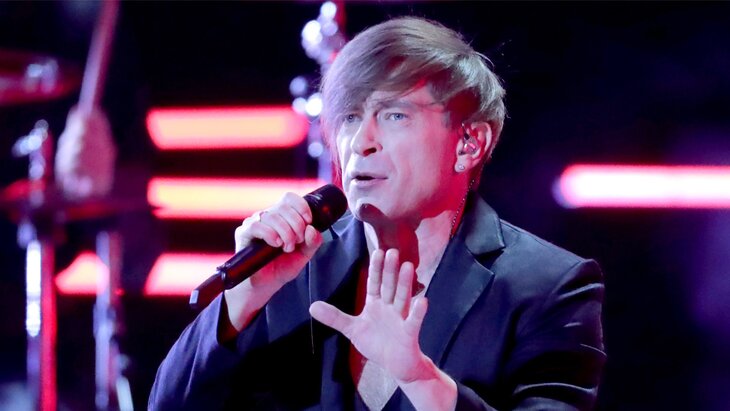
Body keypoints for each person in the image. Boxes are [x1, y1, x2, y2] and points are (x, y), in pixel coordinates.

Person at [149, 17, 605, 410]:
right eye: (350, 117)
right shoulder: (293, 265)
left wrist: (421, 381)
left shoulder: (547, 286)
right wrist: (244, 299)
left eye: (394, 115)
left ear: (469, 143)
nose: (360, 142)